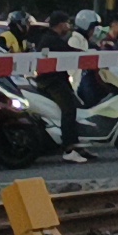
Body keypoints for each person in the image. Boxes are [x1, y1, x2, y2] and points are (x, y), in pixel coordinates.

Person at [30, 12, 93, 164]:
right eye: (66, 23)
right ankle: (69, 148)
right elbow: (69, 54)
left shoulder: (52, 38)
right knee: (69, 109)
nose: (69, 26)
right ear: (60, 24)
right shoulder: (52, 40)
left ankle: (77, 146)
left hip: (56, 80)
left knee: (75, 106)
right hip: (52, 82)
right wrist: (89, 56)